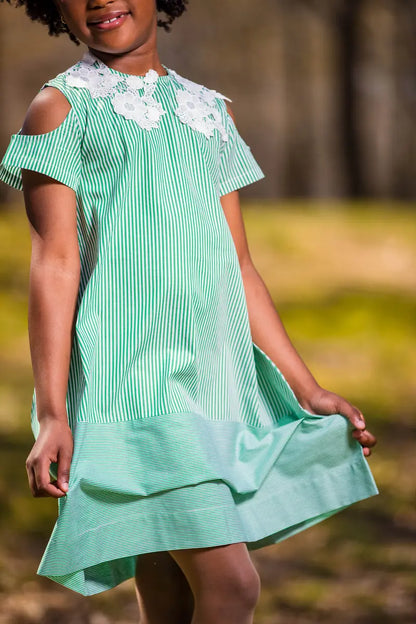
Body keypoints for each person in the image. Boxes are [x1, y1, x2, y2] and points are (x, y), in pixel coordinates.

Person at [0, 1, 378, 622]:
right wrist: (51, 413)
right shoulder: (60, 110)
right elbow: (54, 263)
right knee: (231, 586)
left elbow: (242, 267)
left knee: (172, 595)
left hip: (212, 387)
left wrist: (308, 389)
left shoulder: (211, 113)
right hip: (134, 392)